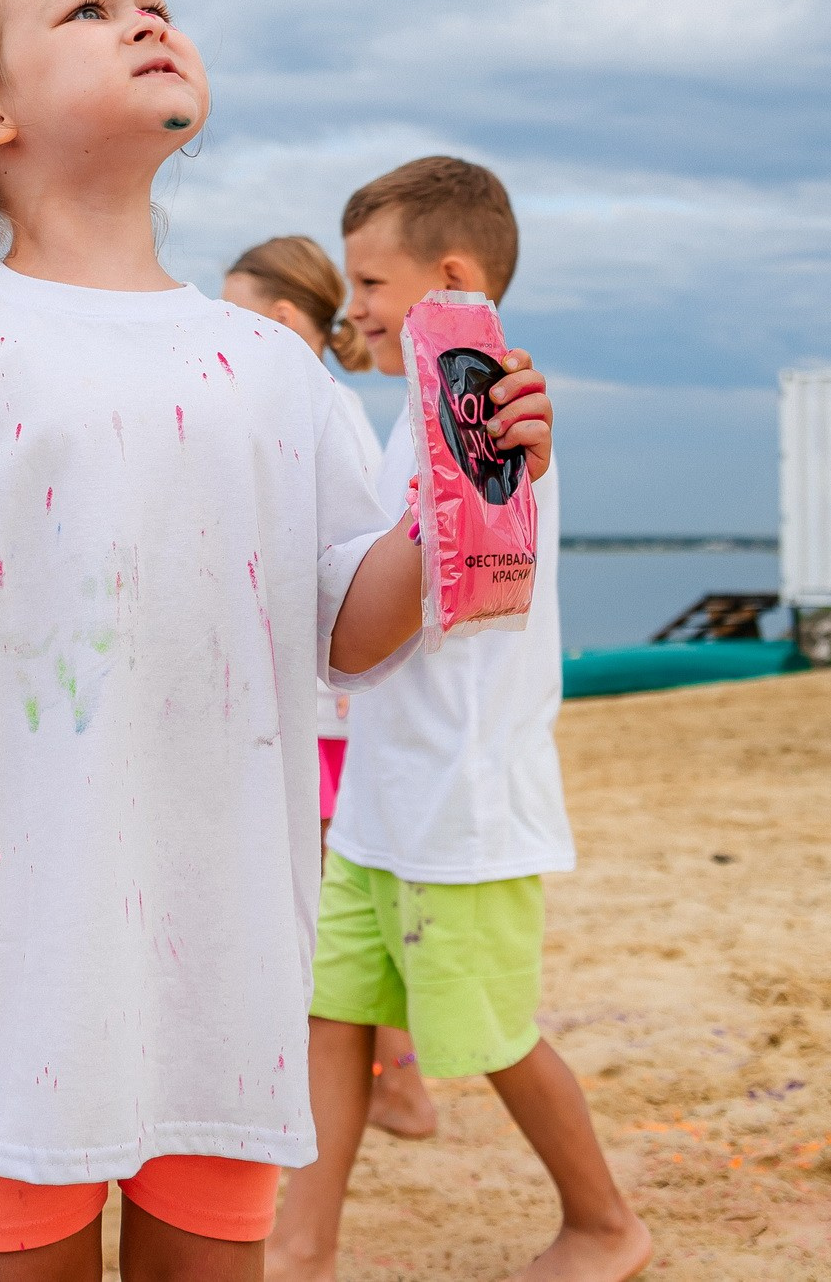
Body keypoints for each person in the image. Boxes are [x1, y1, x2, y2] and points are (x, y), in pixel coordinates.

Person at [0, 0, 555, 1282]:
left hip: (225, 937)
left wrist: (464, 488)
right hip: (21, 940)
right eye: (92, 8)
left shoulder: (271, 368)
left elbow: (349, 620)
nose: (146, 17)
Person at [266, 158, 648, 1282]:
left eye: (372, 283)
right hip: (384, 795)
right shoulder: (404, 420)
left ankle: (603, 1222)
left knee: (488, 1035)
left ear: (451, 279)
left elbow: (480, 522)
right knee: (333, 1016)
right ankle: (302, 1242)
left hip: (461, 801)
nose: (356, 309)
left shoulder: (483, 408)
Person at [220, 237, 435, 1144]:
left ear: (276, 323)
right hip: (330, 705)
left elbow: (351, 561)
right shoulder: (334, 407)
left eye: (227, 309)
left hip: (329, 710)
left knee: (333, 906)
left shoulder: (321, 411)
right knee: (343, 905)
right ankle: (384, 1079)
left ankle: (396, 1081)